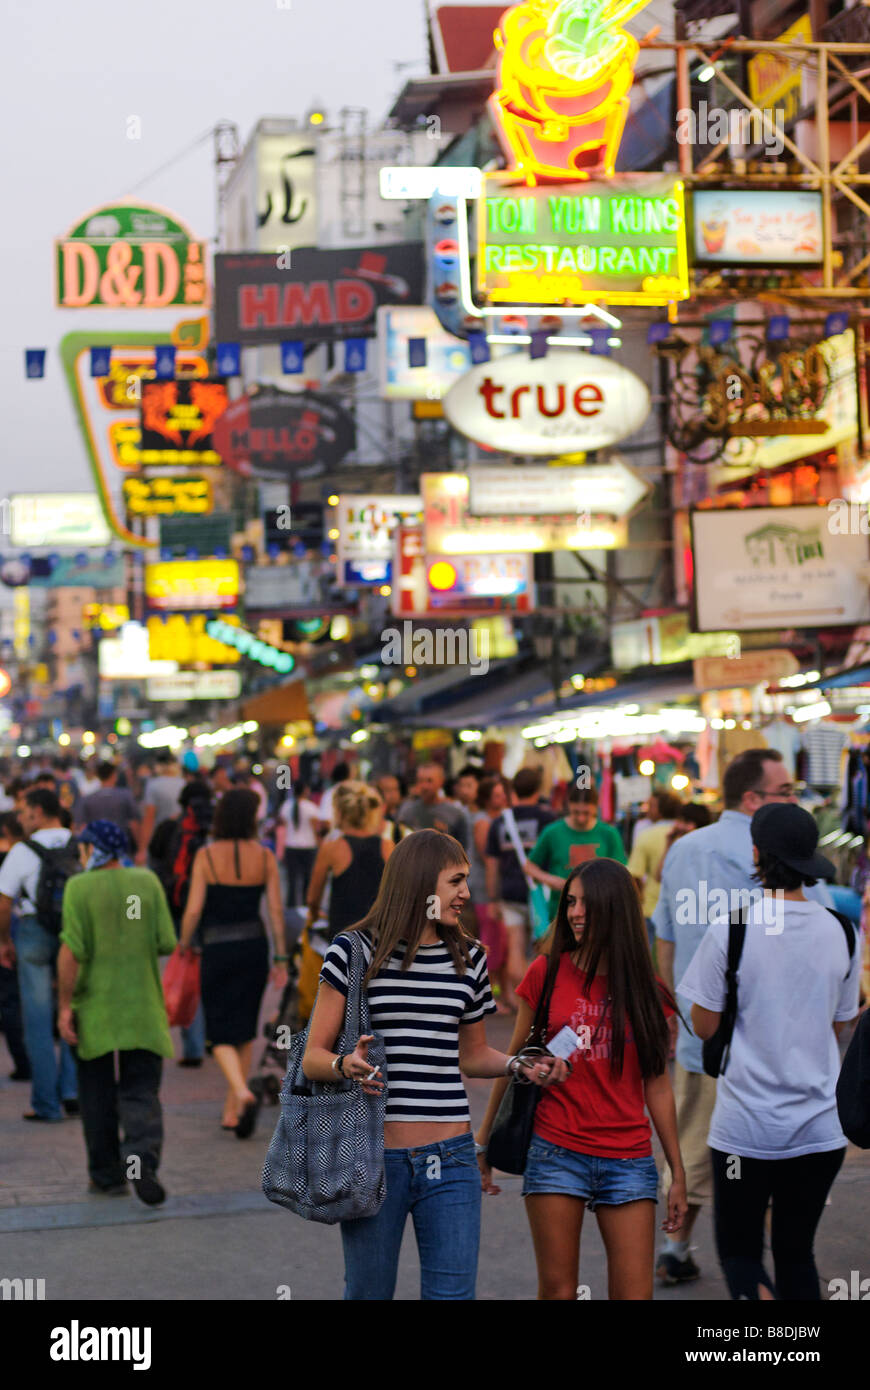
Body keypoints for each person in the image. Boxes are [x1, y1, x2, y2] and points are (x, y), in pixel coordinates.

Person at [304, 829, 561, 1300]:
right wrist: (346, 1064)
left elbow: (473, 1055)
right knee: (368, 1293)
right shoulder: (353, 950)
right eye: (456, 881)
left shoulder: (470, 957)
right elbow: (312, 1058)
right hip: (375, 1158)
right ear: (421, 882)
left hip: (453, 1157)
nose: (467, 892)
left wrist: (519, 1064)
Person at [652, 747, 832, 1286]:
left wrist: (675, 1015)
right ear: (752, 799)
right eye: (784, 793)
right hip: (766, 1048)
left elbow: (664, 938)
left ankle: (674, 1247)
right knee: (765, 1161)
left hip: (698, 1035)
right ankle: (775, 1269)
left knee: (691, 1147)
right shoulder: (779, 855)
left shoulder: (682, 850)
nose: (794, 801)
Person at [476, 858, 687, 1300]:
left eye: (587, 905)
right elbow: (512, 1059)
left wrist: (676, 1172)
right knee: (559, 1292)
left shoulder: (648, 990)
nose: (575, 913)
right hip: (556, 1151)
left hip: (628, 1159)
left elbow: (658, 1085)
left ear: (616, 909)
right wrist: (484, 1142)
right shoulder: (546, 972)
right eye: (570, 902)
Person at [679, 803, 860, 1300]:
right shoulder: (844, 931)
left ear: (756, 853)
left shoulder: (731, 928)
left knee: (740, 1253)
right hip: (820, 1129)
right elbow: (842, 1019)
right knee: (798, 1253)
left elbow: (703, 1024)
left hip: (744, 1128)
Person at [56, 821, 177, 1205]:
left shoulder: (79, 887)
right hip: (142, 1008)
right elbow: (166, 942)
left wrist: (63, 1007)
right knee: (141, 1091)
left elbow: (71, 951)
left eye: (84, 847)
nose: (81, 854)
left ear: (95, 849)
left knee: (96, 1094)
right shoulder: (147, 882)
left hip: (95, 1010)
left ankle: (108, 1175)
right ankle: (140, 1160)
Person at [180, 789, 288, 1137]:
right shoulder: (265, 856)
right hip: (253, 947)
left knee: (219, 1031)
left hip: (217, 948)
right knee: (243, 1029)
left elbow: (194, 908)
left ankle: (241, 1094)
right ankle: (232, 1109)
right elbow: (274, 911)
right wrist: (280, 956)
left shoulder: (206, 855)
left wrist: (183, 941)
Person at [0, 789, 78, 1122]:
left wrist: (4, 940)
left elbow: (3, 902)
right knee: (73, 1011)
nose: (20, 818)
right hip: (73, 933)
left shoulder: (21, 851)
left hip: (33, 932)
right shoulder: (80, 843)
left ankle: (46, 1103)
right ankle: (73, 1091)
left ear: (37, 812)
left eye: (24, 812)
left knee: (38, 1021)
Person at [485, 767, 555, 1008]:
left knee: (515, 945)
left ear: (513, 789)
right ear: (538, 789)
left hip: (509, 891)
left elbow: (491, 865)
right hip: (542, 893)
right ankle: (537, 997)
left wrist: (493, 898)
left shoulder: (499, 822)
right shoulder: (548, 819)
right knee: (542, 946)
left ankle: (526, 996)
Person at [306, 783, 393, 942]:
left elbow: (313, 898)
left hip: (343, 936)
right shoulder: (387, 847)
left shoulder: (332, 848)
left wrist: (314, 915)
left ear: (340, 812)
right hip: (379, 935)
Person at [526, 785, 627, 914]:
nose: (581, 818)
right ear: (569, 806)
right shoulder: (552, 832)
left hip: (599, 908)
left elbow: (620, 871)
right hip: (560, 907)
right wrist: (550, 880)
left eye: (586, 813)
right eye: (576, 813)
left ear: (596, 807)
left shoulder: (609, 833)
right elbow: (529, 866)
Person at [628, 789, 682, 950]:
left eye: (651, 806)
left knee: (646, 956)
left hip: (651, 906)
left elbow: (635, 874)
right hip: (683, 904)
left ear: (660, 810)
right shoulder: (688, 833)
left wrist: (637, 903)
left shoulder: (646, 836)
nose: (647, 809)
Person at [0, 812, 29, 1080]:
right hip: (27, 930)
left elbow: (4, 905)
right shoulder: (30, 854)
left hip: (11, 933)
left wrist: (4, 940)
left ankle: (24, 1062)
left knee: (9, 1000)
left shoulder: (15, 856)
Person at [397, 763, 469, 848]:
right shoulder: (407, 811)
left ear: (441, 782)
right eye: (420, 781)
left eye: (429, 781)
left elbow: (462, 848)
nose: (424, 786)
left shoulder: (455, 814)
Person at [275, 781, 320, 907]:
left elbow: (282, 826)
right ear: (305, 790)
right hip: (308, 846)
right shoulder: (311, 807)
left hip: (291, 846)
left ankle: (291, 907)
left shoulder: (286, 805)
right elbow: (315, 828)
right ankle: (306, 907)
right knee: (307, 879)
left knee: (292, 881)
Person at [137, 751, 185, 865]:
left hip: (160, 839)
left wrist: (142, 849)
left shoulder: (153, 785)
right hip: (181, 836)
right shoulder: (183, 783)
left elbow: (149, 817)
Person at [80, 761, 140, 846]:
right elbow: (134, 823)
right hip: (121, 844)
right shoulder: (125, 796)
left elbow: (83, 826)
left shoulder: (88, 799)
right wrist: (141, 848)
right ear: (114, 776)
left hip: (97, 846)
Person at [315, 761, 351, 835]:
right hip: (340, 837)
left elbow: (325, 820)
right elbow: (326, 821)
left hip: (336, 837)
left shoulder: (329, 793)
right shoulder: (352, 792)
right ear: (349, 775)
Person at [375, 774, 409, 844]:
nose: (393, 794)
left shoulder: (406, 811)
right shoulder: (376, 818)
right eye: (388, 790)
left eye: (395, 789)